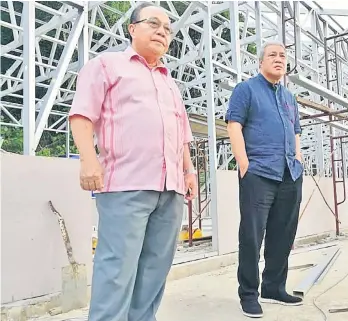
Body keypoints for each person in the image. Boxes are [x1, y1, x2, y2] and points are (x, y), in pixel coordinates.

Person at [69, 3, 198, 321]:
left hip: (171, 190)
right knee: (117, 269)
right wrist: (88, 162)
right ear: (132, 28)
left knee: (155, 270)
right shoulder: (106, 66)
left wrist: (189, 170)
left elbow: (182, 132)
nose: (162, 31)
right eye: (153, 23)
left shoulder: (171, 82)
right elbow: (82, 115)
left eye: (167, 29)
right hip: (126, 184)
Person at [225, 41, 304, 318]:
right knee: (252, 235)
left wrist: (298, 159)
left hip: (289, 173)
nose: (279, 59)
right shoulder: (246, 90)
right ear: (261, 62)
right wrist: (244, 164)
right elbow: (234, 125)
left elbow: (295, 132)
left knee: (283, 235)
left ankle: (274, 287)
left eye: (283, 56)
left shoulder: (289, 98)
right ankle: (249, 293)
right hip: (258, 171)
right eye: (272, 55)